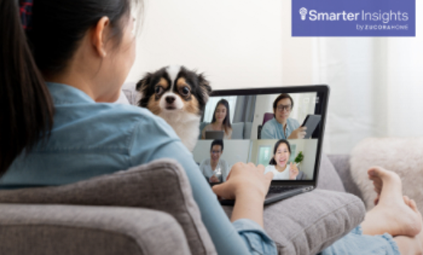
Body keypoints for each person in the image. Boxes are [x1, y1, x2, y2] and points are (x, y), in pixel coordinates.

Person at [2, 1, 423, 254]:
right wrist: (251, 191)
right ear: (101, 35)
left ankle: (385, 223)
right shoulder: (138, 135)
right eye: (132, 28)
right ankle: (391, 233)